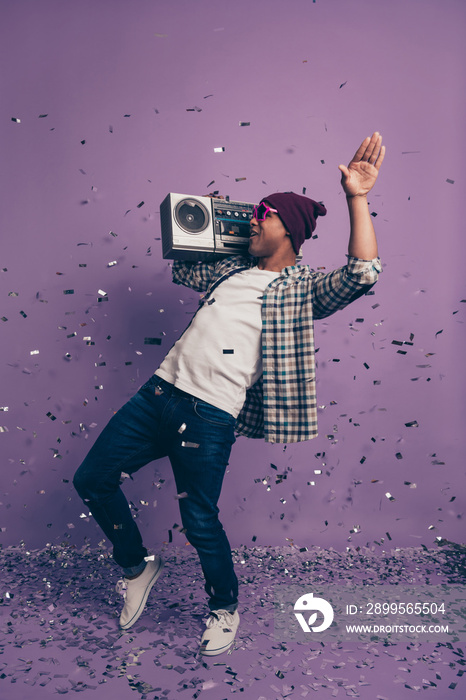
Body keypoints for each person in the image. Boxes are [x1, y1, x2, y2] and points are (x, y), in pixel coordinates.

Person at [73, 132, 386, 656]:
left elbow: (362, 274)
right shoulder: (231, 267)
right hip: (158, 393)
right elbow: (182, 265)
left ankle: (224, 608)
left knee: (199, 519)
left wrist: (357, 196)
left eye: (262, 216)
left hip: (209, 414)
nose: (253, 222)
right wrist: (217, 224)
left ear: (288, 227)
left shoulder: (301, 288)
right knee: (92, 479)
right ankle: (137, 566)